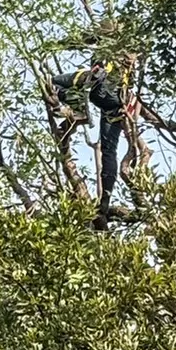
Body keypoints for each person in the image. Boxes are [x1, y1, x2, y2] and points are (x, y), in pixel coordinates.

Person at [51, 57, 132, 229]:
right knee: (109, 152)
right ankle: (105, 202)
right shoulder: (132, 61)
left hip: (101, 86)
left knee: (53, 83)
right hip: (117, 105)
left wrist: (63, 43)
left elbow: (89, 39)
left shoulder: (111, 44)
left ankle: (78, 110)